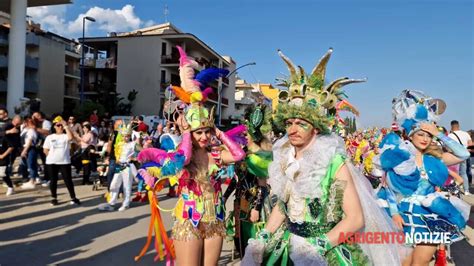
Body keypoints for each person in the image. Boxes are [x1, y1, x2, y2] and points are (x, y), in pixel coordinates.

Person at [242, 49, 401, 265]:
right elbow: (283, 206)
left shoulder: (333, 162)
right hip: (286, 247)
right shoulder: (286, 158)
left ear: (315, 128)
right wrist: (264, 236)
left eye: (301, 123)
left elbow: (355, 219)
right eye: (289, 123)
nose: (293, 129)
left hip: (322, 250)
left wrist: (318, 246)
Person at [135, 46, 244, 265]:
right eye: (199, 132)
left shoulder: (216, 154)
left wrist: (220, 134)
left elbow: (239, 155)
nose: (203, 137)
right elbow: (182, 161)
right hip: (189, 220)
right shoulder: (179, 156)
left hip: (215, 219)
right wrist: (186, 133)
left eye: (206, 131)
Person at [374, 90, 470, 266]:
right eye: (421, 134)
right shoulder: (400, 156)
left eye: (428, 135)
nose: (425, 139)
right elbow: (389, 187)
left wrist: (439, 133)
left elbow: (463, 154)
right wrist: (394, 214)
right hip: (402, 215)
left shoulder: (436, 158)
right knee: (404, 262)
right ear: (410, 134)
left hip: (430, 215)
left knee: (421, 262)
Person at [98, 124, 137, 211]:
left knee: (127, 186)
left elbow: (142, 152)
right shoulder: (119, 144)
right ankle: (112, 203)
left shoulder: (133, 144)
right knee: (114, 184)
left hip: (127, 167)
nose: (125, 138)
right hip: (119, 167)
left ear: (129, 136)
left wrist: (135, 158)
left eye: (127, 136)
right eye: (124, 136)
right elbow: (117, 154)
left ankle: (126, 203)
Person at [43, 116, 80, 206]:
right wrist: (52, 156)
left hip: (64, 161)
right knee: (53, 180)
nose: (60, 127)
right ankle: (54, 198)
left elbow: (71, 138)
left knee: (68, 180)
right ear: (54, 126)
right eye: (58, 125)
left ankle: (73, 197)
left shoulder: (65, 136)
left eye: (61, 125)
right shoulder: (49, 137)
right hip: (51, 162)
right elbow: (45, 150)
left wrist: (66, 126)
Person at [448, 120, 473, 195]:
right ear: (458, 126)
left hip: (455, 156)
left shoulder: (450, 136)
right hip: (464, 155)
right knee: (463, 173)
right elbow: (470, 144)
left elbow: (448, 147)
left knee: (455, 173)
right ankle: (466, 190)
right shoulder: (465, 134)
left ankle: (457, 189)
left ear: (451, 126)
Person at [19, 118, 39, 189]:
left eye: (30, 122)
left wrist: (25, 150)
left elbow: (30, 141)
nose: (27, 124)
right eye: (27, 122)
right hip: (25, 148)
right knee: (28, 164)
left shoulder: (31, 131)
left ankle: (32, 181)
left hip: (30, 148)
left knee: (31, 165)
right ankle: (34, 178)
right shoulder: (24, 129)